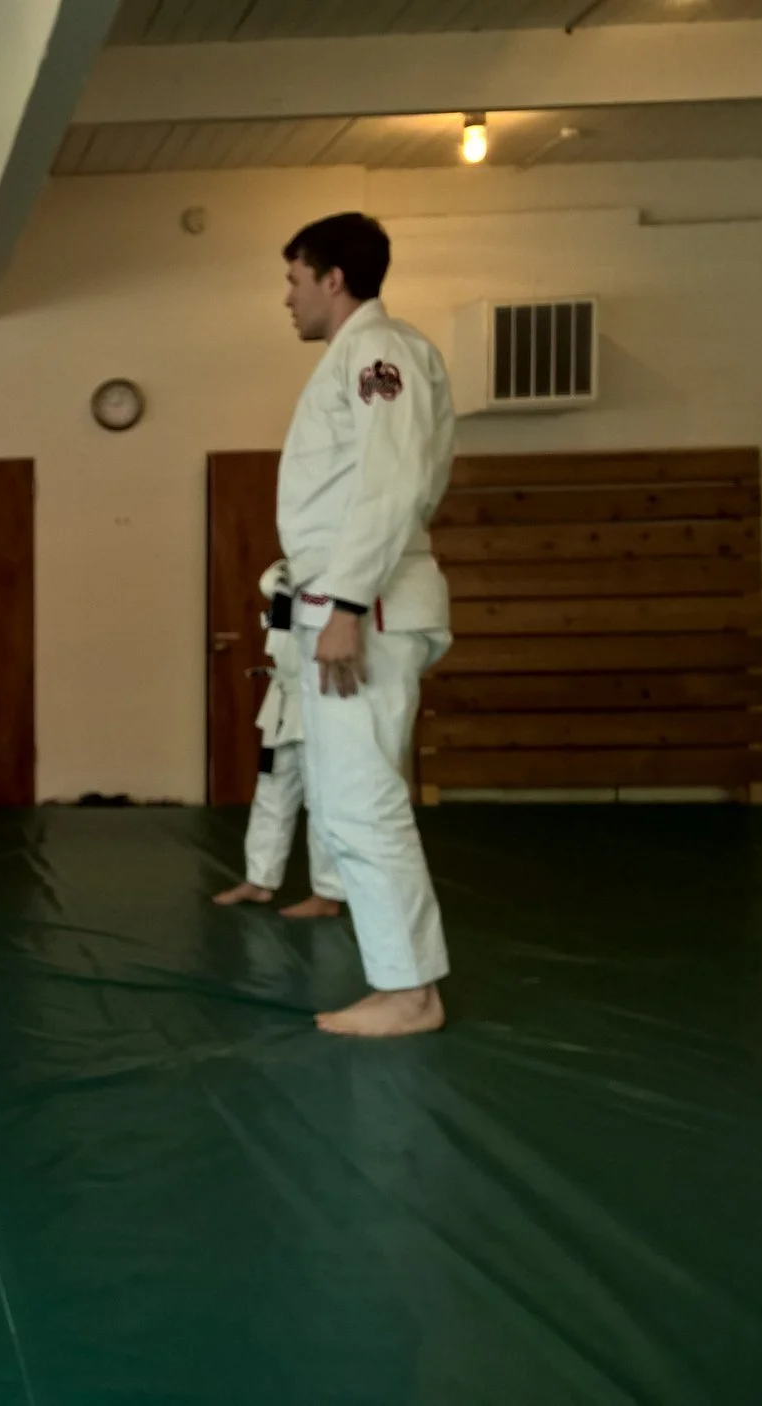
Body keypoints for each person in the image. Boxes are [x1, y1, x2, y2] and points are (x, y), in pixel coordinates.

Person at [275, 211, 454, 1038]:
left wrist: (347, 604)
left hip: (367, 605)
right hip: (347, 599)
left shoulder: (380, 355)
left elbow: (391, 482)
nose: (288, 297)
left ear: (333, 278)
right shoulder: (355, 359)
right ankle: (400, 980)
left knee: (364, 797)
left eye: (294, 279)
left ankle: (411, 992)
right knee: (348, 799)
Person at [213, 560, 345, 918]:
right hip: (282, 706)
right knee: (271, 793)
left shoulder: (333, 588)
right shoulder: (283, 587)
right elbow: (275, 616)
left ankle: (328, 893)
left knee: (321, 802)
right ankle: (260, 879)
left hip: (319, 706)